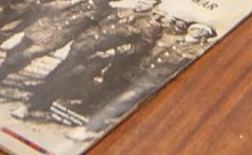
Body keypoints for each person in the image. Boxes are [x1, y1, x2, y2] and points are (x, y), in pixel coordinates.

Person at [12, 0, 164, 121]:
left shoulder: (150, 25)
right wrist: (84, 39)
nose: (140, 3)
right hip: (83, 47)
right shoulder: (120, 11)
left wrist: (113, 52)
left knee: (68, 76)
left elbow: (141, 46)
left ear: (153, 7)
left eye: (146, 3)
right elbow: (96, 25)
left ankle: (31, 105)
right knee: (63, 71)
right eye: (141, 0)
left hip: (101, 56)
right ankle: (42, 102)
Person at [67, 24, 217, 141]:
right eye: (196, 29)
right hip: (137, 71)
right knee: (112, 95)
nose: (198, 32)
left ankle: (89, 129)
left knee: (123, 100)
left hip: (153, 80)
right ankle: (96, 122)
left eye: (203, 32)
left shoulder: (198, 50)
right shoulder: (169, 38)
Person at [0, 0, 113, 94]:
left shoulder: (104, 12)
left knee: (26, 55)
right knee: (15, 54)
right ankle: (3, 73)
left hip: (56, 39)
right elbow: (47, 8)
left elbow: (92, 29)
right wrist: (71, 3)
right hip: (39, 30)